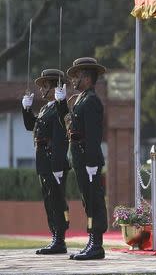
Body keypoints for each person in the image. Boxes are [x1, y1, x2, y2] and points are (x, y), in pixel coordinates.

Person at [55, 57, 107, 260]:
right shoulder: (81, 99)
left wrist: (92, 162)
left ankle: (97, 244)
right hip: (80, 157)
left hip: (88, 158)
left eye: (77, 76)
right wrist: (61, 104)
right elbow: (68, 126)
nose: (73, 80)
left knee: (94, 200)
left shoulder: (91, 100)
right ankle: (92, 241)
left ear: (87, 77)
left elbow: (94, 135)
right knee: (88, 200)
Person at [21, 69, 70, 254]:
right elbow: (30, 126)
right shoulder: (44, 108)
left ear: (53, 86)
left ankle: (60, 239)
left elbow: (61, 138)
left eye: (45, 86)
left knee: (57, 200)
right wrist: (26, 109)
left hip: (53, 161)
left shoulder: (58, 107)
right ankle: (55, 237)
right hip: (43, 161)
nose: (41, 90)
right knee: (49, 200)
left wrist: (57, 165)